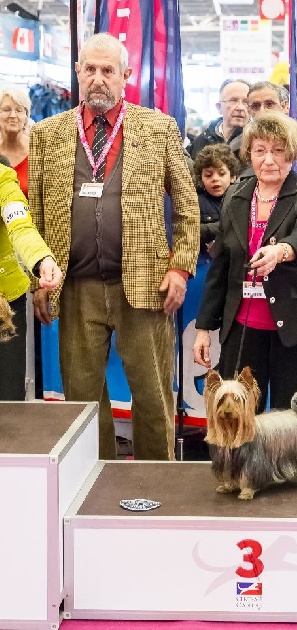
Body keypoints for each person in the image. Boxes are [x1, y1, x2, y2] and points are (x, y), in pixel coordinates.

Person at [28, 33, 200, 461]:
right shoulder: (47, 134)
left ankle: (158, 485)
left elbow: (187, 204)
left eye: (109, 70)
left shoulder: (158, 127)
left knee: (153, 397)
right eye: (90, 69)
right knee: (81, 404)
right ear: (78, 73)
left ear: (126, 76)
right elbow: (36, 214)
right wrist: (39, 279)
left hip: (144, 287)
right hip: (75, 288)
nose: (98, 79)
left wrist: (180, 268)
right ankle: (90, 485)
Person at [193, 112, 297, 412]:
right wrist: (204, 328)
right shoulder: (235, 195)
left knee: (292, 425)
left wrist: (282, 250)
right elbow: (222, 267)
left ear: (292, 154)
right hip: (243, 328)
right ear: (249, 155)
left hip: (294, 329)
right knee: (238, 421)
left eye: (278, 151)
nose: (269, 160)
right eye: (260, 151)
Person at [0, 160, 62, 400]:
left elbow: (21, 227)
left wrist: (41, 260)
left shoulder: (4, 178)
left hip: (5, 305)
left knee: (7, 403)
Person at [231, 81, 297, 182]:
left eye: (269, 104)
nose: (262, 111)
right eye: (256, 106)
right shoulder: (237, 146)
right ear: (249, 110)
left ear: (284, 106)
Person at [193, 144, 239, 255]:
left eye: (221, 174)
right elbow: (191, 230)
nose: (215, 179)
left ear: (233, 176)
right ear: (201, 178)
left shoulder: (240, 199)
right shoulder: (195, 201)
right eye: (208, 175)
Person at [188, 79, 250, 160]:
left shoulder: (256, 141)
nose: (240, 108)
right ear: (219, 107)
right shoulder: (202, 141)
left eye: (246, 102)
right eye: (233, 100)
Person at [0, 88, 31, 197]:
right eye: (6, 109)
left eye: (19, 110)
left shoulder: (38, 150)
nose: (13, 115)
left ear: (26, 117)